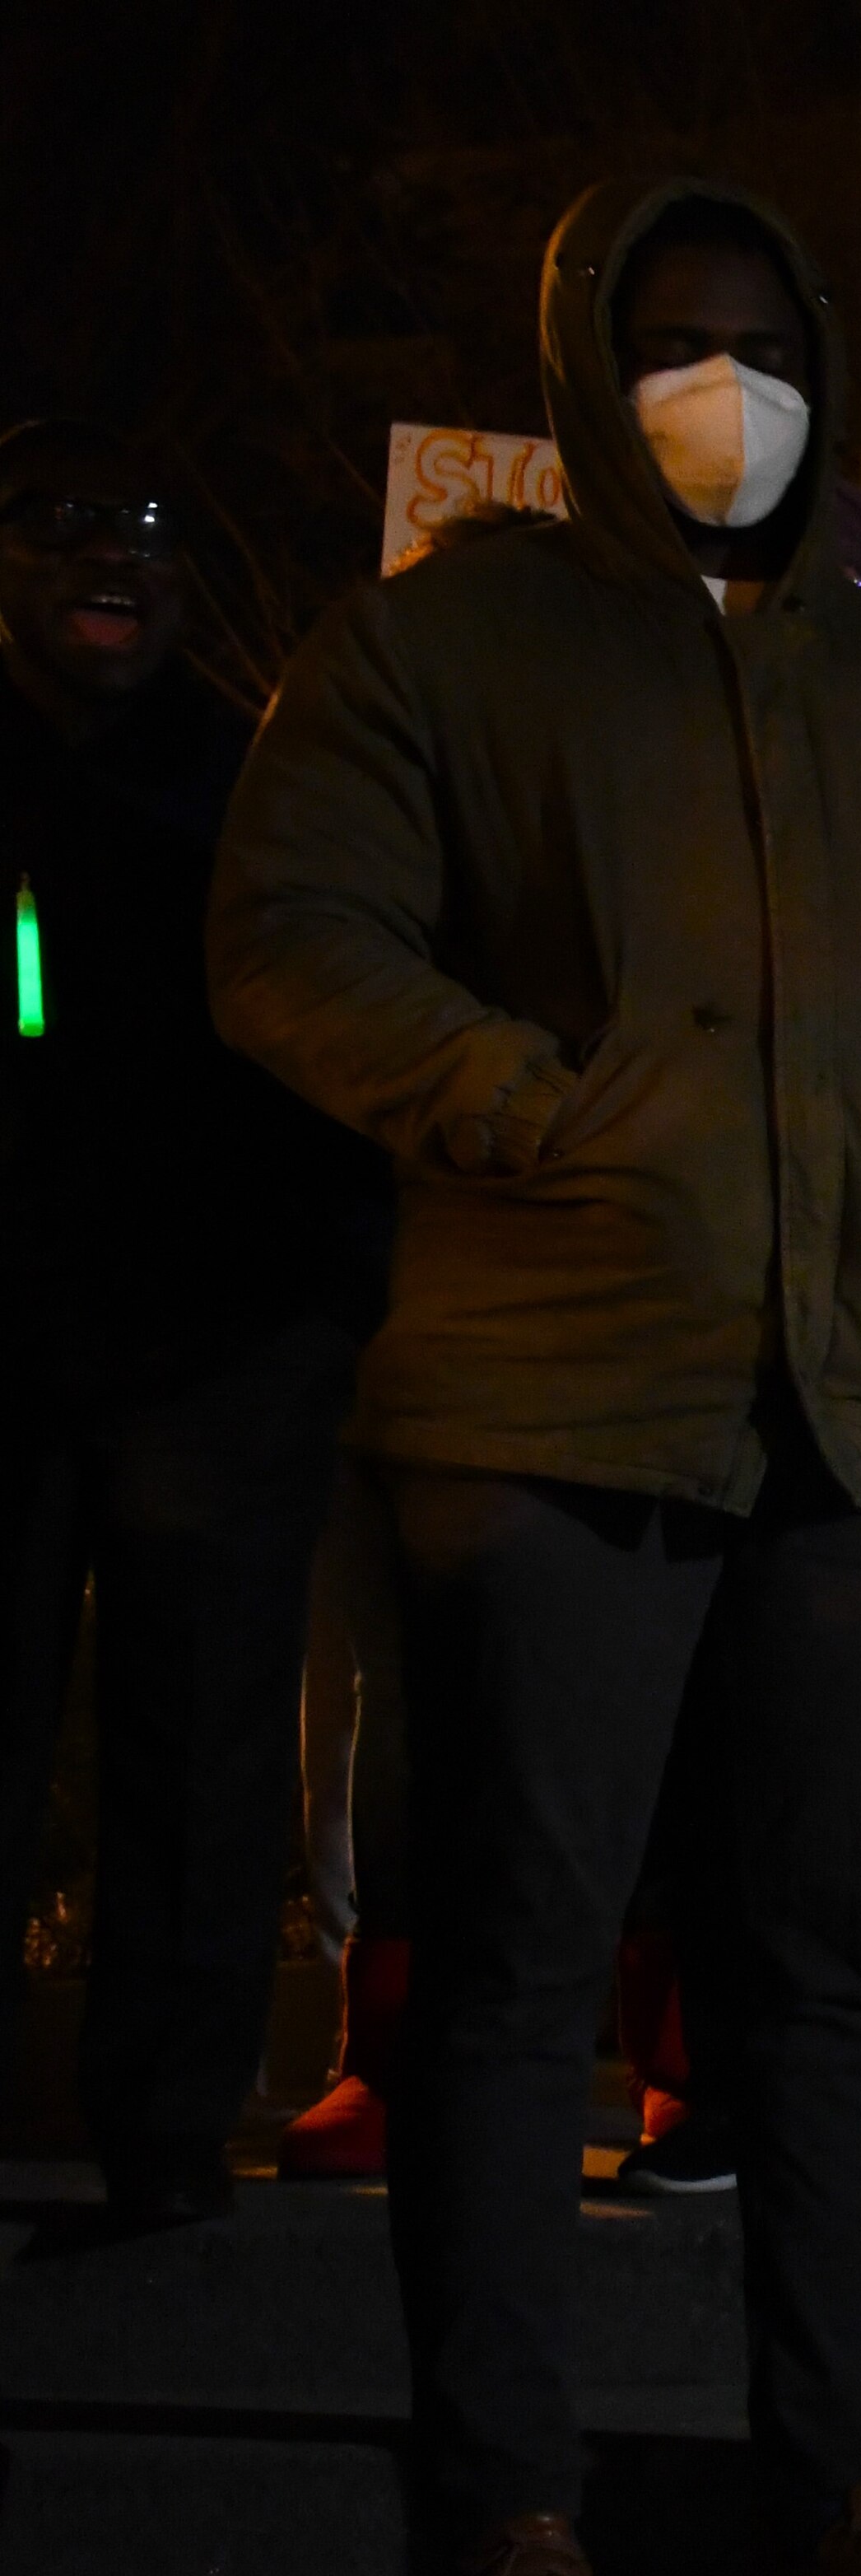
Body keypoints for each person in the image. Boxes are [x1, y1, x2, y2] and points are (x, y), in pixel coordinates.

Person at [207, 180, 861, 2576]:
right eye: (666, 343)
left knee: (834, 1987)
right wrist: (525, 1103)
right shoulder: (440, 648)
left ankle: (836, 2493)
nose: (719, 383)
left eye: (758, 337)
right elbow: (290, 932)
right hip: (548, 1394)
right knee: (511, 1987)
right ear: (581, 374)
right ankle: (506, 2533)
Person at [0, 420, 387, 2222]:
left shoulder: (252, 785)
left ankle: (168, 2126)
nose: (119, 560)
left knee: (204, 1744)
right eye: (75, 520)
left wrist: (314, 1298)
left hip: (213, 1346)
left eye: (154, 529)